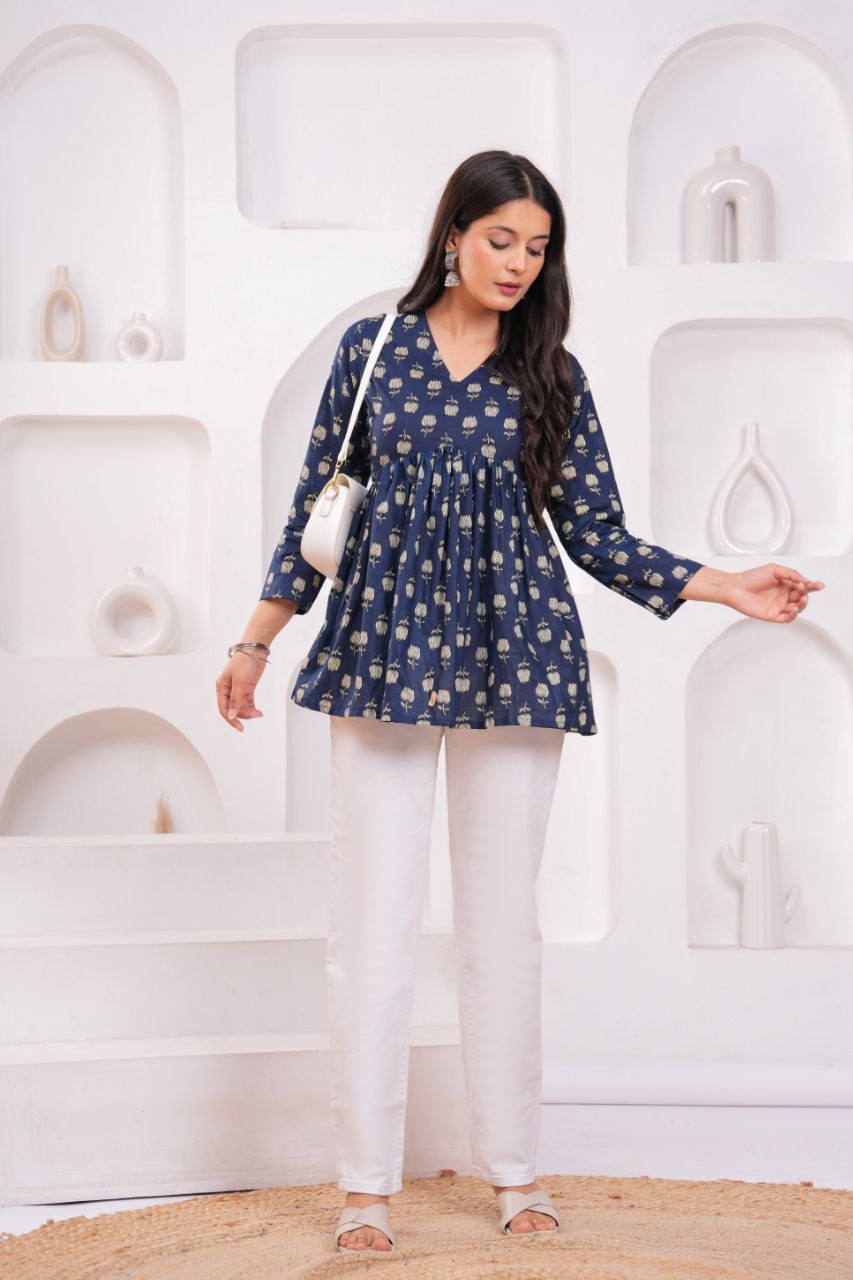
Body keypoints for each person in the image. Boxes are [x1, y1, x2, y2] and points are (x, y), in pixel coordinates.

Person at [216, 151, 824, 1253]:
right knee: (372, 925)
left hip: (516, 656)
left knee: (503, 928)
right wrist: (255, 640)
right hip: (384, 653)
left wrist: (722, 583)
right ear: (452, 234)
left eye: (537, 248)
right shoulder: (371, 351)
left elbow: (594, 532)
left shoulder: (551, 372)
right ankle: (364, 1188)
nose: (518, 264)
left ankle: (515, 1172)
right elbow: (317, 509)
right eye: (501, 239)